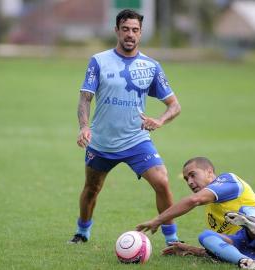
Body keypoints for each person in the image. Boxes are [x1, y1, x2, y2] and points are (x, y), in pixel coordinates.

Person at [68, 9, 181, 245]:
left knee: (162, 181)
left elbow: (174, 105)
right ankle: (82, 231)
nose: (130, 34)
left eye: (135, 30)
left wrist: (159, 120)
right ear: (117, 31)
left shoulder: (151, 66)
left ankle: (172, 240)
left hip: (136, 140)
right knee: (92, 188)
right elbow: (85, 97)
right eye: (126, 29)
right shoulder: (98, 61)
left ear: (140, 33)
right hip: (101, 141)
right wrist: (84, 126)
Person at [136, 157, 255, 269]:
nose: (189, 182)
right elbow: (220, 250)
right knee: (206, 236)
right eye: (187, 179)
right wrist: (190, 249)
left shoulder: (228, 180)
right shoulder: (210, 215)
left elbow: (194, 200)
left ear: (209, 172)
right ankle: (246, 262)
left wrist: (158, 220)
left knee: (247, 210)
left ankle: (253, 223)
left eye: (193, 175)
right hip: (250, 248)